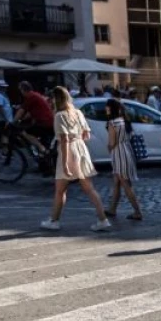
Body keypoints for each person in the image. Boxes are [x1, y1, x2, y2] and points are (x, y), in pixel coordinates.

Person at [40, 87, 111, 232]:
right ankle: (103, 219)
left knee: (60, 190)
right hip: (81, 149)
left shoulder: (59, 115)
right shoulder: (78, 112)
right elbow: (87, 135)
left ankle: (54, 220)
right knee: (89, 188)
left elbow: (65, 140)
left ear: (56, 99)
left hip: (69, 150)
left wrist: (65, 163)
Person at [102, 98, 144, 221]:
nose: (106, 108)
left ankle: (137, 211)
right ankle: (112, 209)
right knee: (117, 182)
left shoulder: (112, 123)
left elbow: (112, 142)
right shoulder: (123, 120)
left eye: (107, 106)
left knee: (125, 184)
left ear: (111, 108)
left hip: (118, 154)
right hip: (126, 151)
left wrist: (109, 149)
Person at [14, 81, 54, 155]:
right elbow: (30, 113)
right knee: (35, 131)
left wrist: (13, 121)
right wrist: (22, 119)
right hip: (48, 122)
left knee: (25, 132)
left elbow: (21, 111)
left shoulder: (30, 97)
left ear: (22, 90)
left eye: (20, 90)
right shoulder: (35, 95)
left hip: (45, 123)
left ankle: (41, 147)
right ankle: (42, 152)